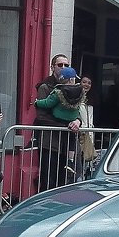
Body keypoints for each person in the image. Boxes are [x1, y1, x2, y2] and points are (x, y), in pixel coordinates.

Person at [33, 53, 74, 191]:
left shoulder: (72, 87)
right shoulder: (45, 87)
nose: (63, 67)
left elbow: (76, 110)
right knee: (48, 180)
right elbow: (41, 116)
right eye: (60, 65)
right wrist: (64, 125)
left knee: (63, 181)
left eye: (66, 65)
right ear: (52, 67)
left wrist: (78, 121)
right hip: (49, 142)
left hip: (66, 141)